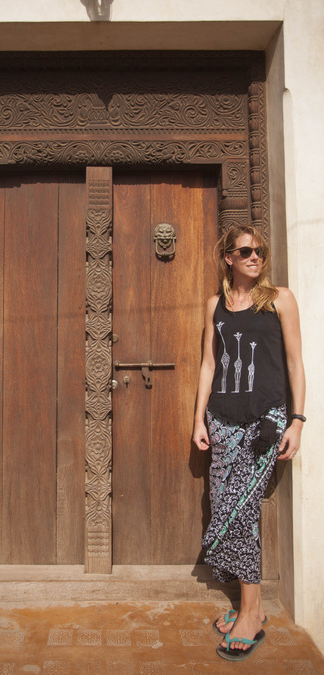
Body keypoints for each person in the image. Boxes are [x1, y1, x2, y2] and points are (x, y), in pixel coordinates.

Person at [193, 224, 306, 662]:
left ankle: (252, 613)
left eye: (259, 251)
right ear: (229, 259)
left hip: (265, 422)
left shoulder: (280, 299)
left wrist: (296, 421)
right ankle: (248, 605)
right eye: (245, 251)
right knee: (224, 509)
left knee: (240, 511)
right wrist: (199, 418)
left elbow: (295, 363)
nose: (255, 257)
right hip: (221, 422)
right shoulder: (214, 306)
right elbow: (209, 364)